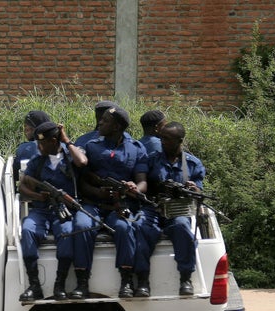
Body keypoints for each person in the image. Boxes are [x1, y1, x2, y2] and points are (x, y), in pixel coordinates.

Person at [70, 106, 149, 299]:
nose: (100, 123)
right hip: (93, 204)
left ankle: (127, 281)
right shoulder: (91, 146)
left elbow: (143, 182)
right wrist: (99, 192)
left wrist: (134, 189)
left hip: (120, 205)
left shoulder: (136, 148)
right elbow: (82, 182)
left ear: (116, 127)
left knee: (124, 227)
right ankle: (82, 282)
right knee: (81, 225)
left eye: (105, 121)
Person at [133, 121, 206, 297]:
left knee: (182, 226)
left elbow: (199, 190)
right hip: (154, 206)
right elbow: (141, 180)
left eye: (167, 139)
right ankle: (143, 280)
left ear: (179, 140)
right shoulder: (151, 159)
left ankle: (185, 277)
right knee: (141, 226)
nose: (162, 141)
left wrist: (193, 189)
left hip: (177, 208)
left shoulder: (192, 163)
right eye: (161, 137)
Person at [18, 121, 88, 301]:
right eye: (38, 143)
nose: (39, 147)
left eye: (43, 143)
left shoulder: (71, 156)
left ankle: (60, 284)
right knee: (28, 230)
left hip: (63, 210)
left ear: (55, 140)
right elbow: (23, 186)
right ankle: (34, 285)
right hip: (41, 210)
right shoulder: (37, 162)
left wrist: (66, 140)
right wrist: (37, 195)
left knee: (66, 234)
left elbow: (82, 161)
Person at [12, 110, 52, 185]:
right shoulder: (63, 145)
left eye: (27, 127)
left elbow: (15, 176)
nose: (25, 130)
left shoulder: (23, 148)